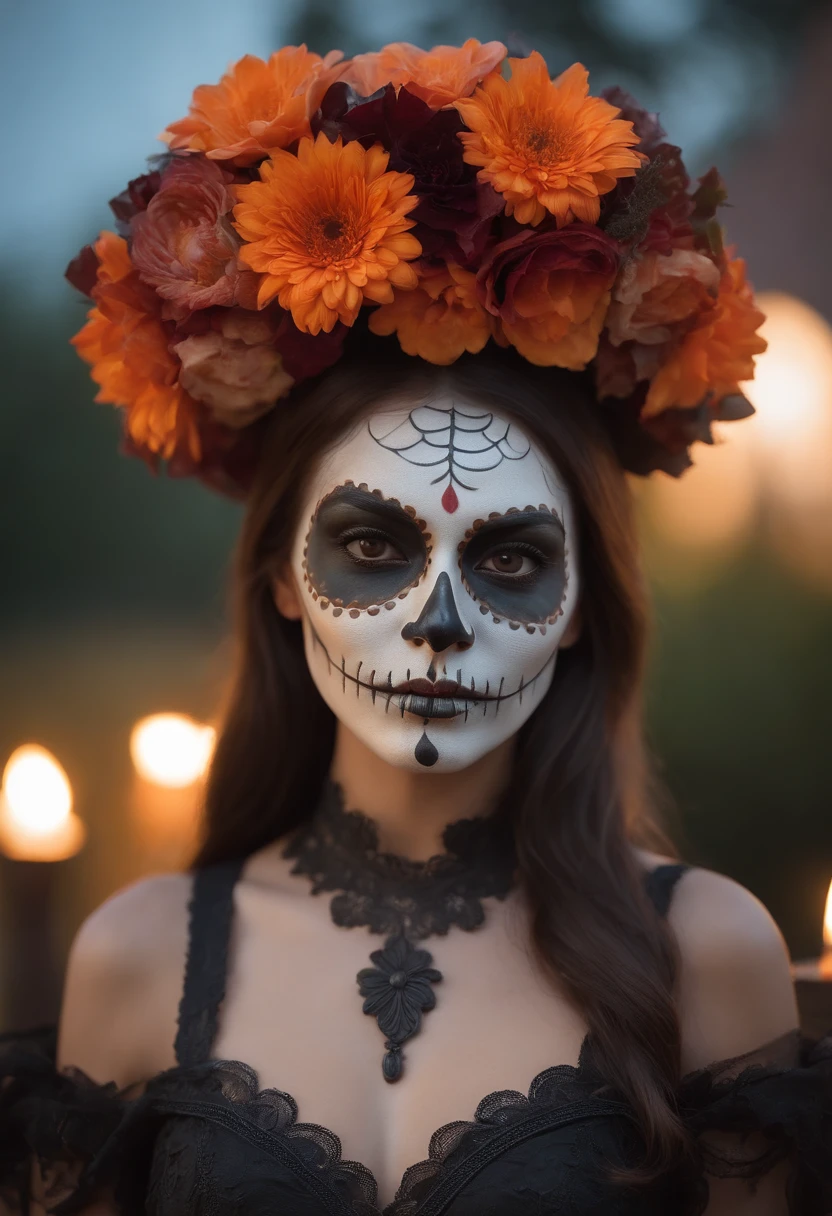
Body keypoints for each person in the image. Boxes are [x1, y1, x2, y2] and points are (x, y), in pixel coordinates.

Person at [2, 38, 830, 1216]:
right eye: (375, 547)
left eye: (508, 558)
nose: (439, 624)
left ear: (586, 601)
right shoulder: (137, 958)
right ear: (282, 575)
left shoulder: (708, 953)